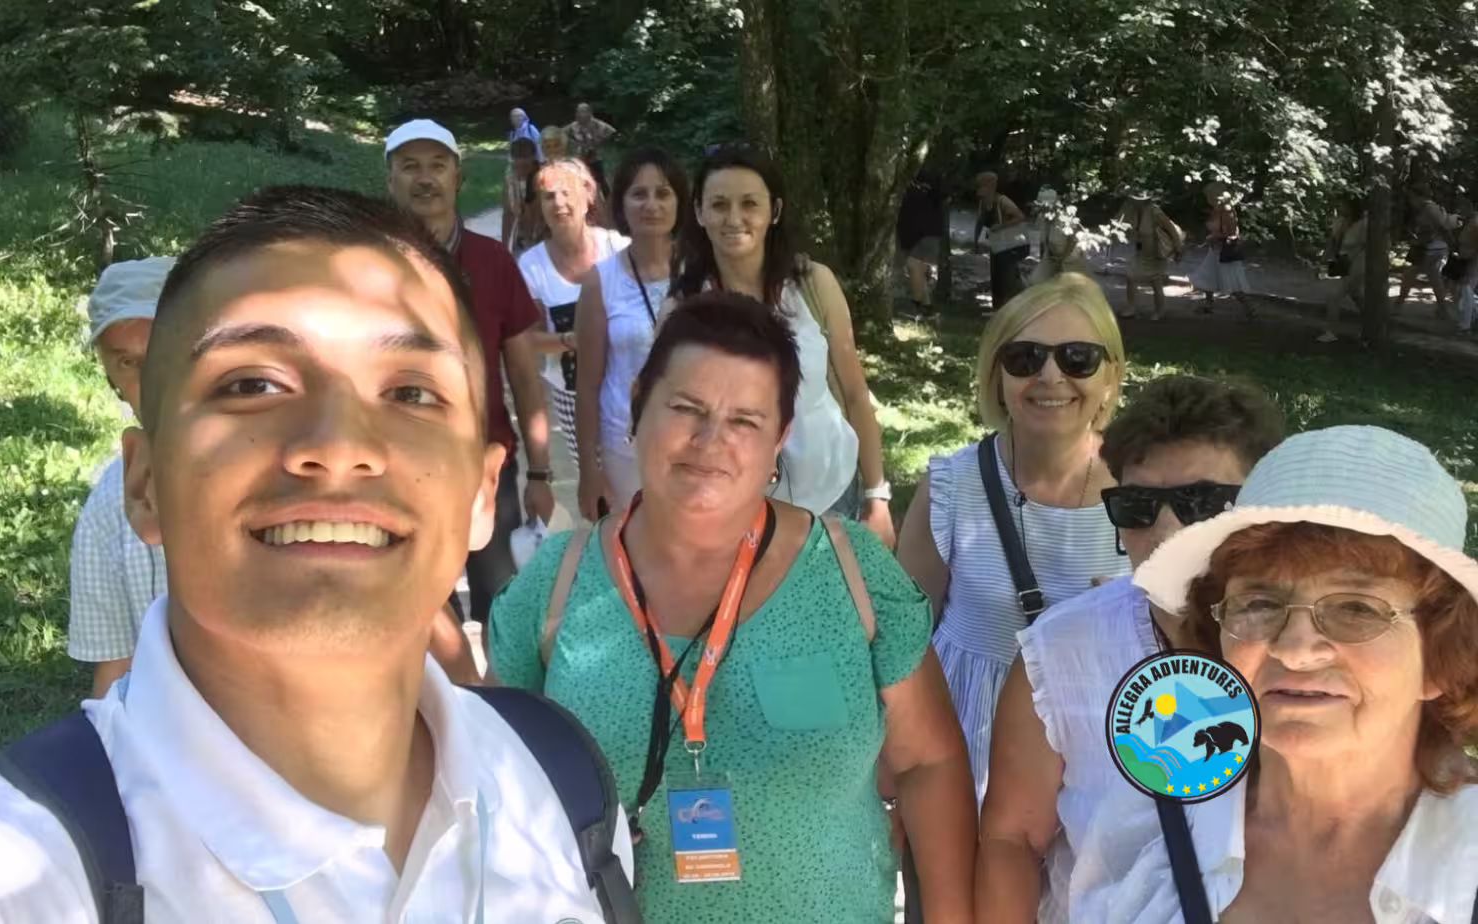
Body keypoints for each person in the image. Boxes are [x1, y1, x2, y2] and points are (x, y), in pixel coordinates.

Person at [0, 185, 634, 920]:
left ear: (478, 495)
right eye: (252, 383)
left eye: (411, 393)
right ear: (143, 483)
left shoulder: (562, 792)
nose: (338, 447)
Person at [488, 292, 977, 923]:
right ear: (639, 403)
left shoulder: (850, 573)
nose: (710, 440)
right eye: (686, 407)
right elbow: (494, 777)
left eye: (745, 420)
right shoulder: (556, 587)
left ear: (782, 436)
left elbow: (930, 760)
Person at [1075, 424, 1478, 923]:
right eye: (1260, 603)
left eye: (1357, 608)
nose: (1295, 649)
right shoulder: (1153, 828)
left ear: (1440, 658)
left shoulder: (1466, 870)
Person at [975, 375, 1286, 924]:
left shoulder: (1313, 650)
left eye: (1204, 502)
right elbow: (1010, 839)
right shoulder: (1060, 654)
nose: (1167, 530)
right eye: (1139, 505)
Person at [896, 272, 1130, 801]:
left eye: (1077, 358)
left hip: (1100, 761)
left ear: (1111, 377)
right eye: (1024, 358)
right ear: (996, 375)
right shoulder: (951, 486)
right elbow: (901, 644)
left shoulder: (1144, 495)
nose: (1050, 375)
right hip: (965, 759)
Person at [672, 144, 896, 547]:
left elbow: (855, 393)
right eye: (719, 204)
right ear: (699, 212)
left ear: (774, 211)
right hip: (737, 503)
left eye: (749, 204)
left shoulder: (813, 285)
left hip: (831, 493)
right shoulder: (684, 309)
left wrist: (876, 496)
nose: (734, 218)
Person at [385, 119, 556, 625]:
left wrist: (540, 473)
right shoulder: (366, 262)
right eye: (409, 166)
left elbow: (525, 377)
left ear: (458, 178)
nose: (425, 178)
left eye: (437, 165)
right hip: (397, 465)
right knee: (419, 613)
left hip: (487, 464)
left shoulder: (494, 262)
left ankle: (499, 705)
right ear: (389, 178)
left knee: (503, 608)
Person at [69, 257, 174, 697]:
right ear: (109, 375)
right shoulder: (107, 506)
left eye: (166, 355)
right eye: (129, 362)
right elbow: (113, 671)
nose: (151, 382)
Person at [574, 147, 688, 516]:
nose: (651, 204)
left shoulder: (702, 274)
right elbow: (587, 385)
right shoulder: (600, 281)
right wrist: (589, 470)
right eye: (639, 194)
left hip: (693, 442)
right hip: (625, 448)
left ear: (679, 202)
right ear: (621, 205)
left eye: (663, 193)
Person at [518, 158, 630, 483]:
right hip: (571, 394)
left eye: (566, 192)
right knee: (597, 482)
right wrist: (575, 340)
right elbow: (528, 339)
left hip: (626, 387)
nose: (559, 203)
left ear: (588, 195)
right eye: (548, 196)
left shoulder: (618, 248)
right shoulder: (532, 265)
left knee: (640, 474)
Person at [1188, 181, 1255, 318]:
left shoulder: (1227, 210)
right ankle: (1209, 303)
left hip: (1225, 251)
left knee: (1232, 281)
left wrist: (1212, 236)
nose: (1208, 199)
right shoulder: (1216, 209)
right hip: (1215, 250)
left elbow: (1231, 233)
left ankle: (1249, 308)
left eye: (1210, 196)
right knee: (1207, 275)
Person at [1394, 186, 1457, 320]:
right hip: (1426, 248)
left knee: (1426, 277)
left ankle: (1443, 310)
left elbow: (1442, 227)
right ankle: (1442, 310)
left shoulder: (1430, 208)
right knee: (1416, 276)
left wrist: (1450, 244)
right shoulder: (1424, 209)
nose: (1410, 201)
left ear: (1419, 196)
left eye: (1412, 197)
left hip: (1433, 249)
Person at [897, 159, 948, 315]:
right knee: (918, 270)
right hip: (909, 233)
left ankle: (917, 307)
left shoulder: (931, 175)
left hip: (928, 231)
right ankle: (927, 308)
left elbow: (944, 198)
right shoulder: (900, 174)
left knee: (914, 265)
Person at [1121, 193, 1183, 320]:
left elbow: (1172, 231)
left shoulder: (1155, 212)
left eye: (1135, 199)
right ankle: (1131, 308)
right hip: (1141, 253)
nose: (1131, 200)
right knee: (1130, 276)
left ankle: (1159, 311)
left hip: (1157, 254)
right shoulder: (1134, 211)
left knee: (1156, 281)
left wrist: (1178, 250)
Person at [975, 171, 1030, 310]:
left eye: (981, 184)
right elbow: (980, 221)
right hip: (997, 246)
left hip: (1009, 246)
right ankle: (997, 309)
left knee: (1008, 278)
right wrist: (975, 240)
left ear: (990, 185)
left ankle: (1013, 308)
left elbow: (1020, 217)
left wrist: (1000, 227)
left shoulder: (1002, 201)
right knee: (996, 278)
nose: (978, 188)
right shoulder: (983, 203)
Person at [1319, 198, 1368, 344]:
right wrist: (1324, 262)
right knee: (1357, 295)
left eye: (1343, 203)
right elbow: (1332, 242)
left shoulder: (1364, 224)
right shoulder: (1340, 221)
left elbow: (1366, 246)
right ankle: (1372, 324)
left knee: (1334, 295)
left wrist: (1351, 261)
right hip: (1342, 260)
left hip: (1357, 262)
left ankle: (1331, 332)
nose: (1340, 206)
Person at [1028, 186, 1090, 287]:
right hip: (1050, 256)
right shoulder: (1041, 217)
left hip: (1070, 258)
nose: (1041, 209)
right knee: (1035, 282)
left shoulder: (1066, 217)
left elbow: (1073, 241)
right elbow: (1040, 241)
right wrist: (1040, 258)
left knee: (1069, 288)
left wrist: (1061, 260)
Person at [500, 137, 543, 256]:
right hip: (521, 231)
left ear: (533, 157)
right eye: (517, 157)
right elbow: (507, 213)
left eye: (525, 157)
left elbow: (537, 212)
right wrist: (504, 249)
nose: (520, 161)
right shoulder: (510, 174)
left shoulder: (541, 175)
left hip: (541, 231)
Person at [566, 102, 618, 195]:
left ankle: (609, 200)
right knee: (581, 180)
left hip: (595, 157)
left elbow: (612, 131)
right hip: (580, 157)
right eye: (579, 112)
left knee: (600, 180)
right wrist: (573, 143)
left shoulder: (597, 124)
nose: (582, 114)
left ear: (590, 112)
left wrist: (600, 141)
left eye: (584, 111)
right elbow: (560, 133)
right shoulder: (573, 127)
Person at [1450, 197, 1477, 336]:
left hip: (1472, 261)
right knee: (1461, 289)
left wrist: (1472, 263)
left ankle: (1465, 326)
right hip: (1464, 259)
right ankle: (1468, 320)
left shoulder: (1475, 223)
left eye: (1463, 208)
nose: (1460, 211)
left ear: (1469, 208)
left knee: (1466, 290)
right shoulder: (1468, 222)